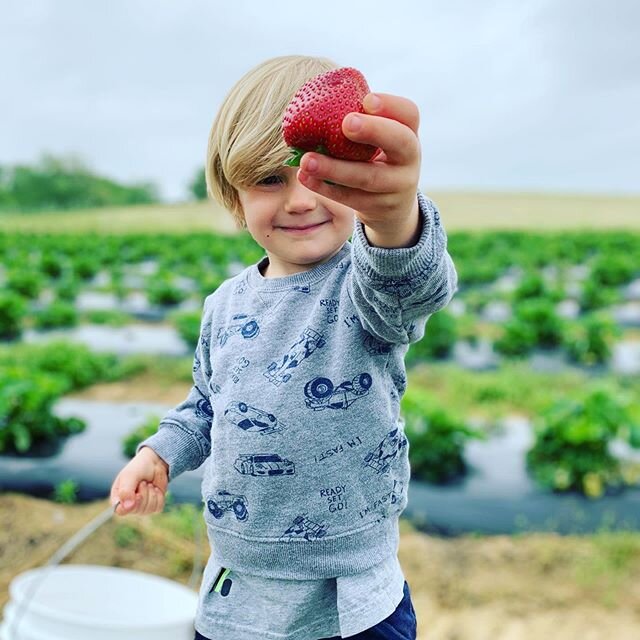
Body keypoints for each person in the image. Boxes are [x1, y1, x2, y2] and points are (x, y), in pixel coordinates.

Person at [110, 54, 458, 640]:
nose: (299, 200)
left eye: (326, 178)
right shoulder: (224, 304)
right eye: (271, 179)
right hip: (237, 589)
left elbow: (411, 283)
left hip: (349, 602)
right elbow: (206, 404)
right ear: (232, 193)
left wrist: (396, 216)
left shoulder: (363, 286)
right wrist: (160, 454)